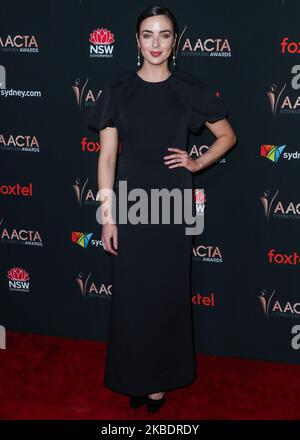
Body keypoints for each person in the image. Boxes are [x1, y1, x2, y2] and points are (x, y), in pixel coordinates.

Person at [87, 5, 237, 414]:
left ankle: (160, 383)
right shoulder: (118, 90)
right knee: (134, 298)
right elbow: (106, 159)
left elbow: (227, 135)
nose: (156, 43)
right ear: (136, 41)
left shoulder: (188, 88)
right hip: (132, 203)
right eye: (148, 34)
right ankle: (133, 377)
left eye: (164, 34)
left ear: (176, 41)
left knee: (167, 296)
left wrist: (196, 162)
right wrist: (107, 216)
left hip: (172, 204)